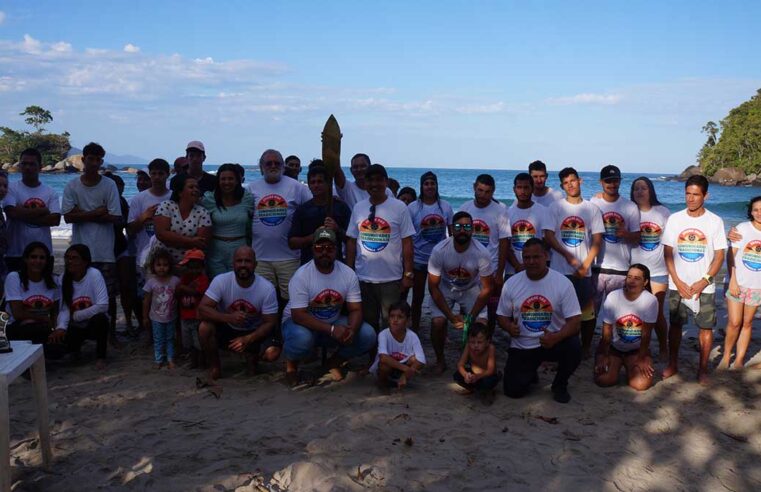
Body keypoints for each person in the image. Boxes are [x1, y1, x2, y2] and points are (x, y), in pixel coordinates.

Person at [282, 227, 376, 385]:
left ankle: (333, 362)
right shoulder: (301, 275)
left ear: (336, 250)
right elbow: (298, 315)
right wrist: (332, 330)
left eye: (329, 248)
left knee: (368, 334)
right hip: (299, 323)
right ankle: (291, 366)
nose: (324, 252)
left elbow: (355, 309)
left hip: (332, 321)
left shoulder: (347, 273)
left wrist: (351, 330)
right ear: (313, 249)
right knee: (302, 338)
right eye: (320, 248)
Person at [497, 238, 582, 403]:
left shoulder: (563, 283)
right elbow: (501, 315)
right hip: (523, 344)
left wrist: (556, 337)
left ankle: (559, 384)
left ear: (546, 256)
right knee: (513, 391)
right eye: (527, 257)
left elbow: (575, 321)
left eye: (536, 257)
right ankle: (530, 372)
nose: (531, 262)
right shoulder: (512, 283)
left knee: (574, 346)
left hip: (552, 341)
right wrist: (508, 326)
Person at [662, 175, 727, 384]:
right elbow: (668, 252)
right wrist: (677, 281)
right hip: (677, 283)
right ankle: (673, 363)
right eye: (687, 194)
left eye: (696, 194)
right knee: (675, 325)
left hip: (704, 286)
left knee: (705, 328)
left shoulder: (715, 221)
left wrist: (705, 280)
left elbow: (719, 256)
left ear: (705, 196)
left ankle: (702, 369)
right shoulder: (675, 219)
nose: (690, 199)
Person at [61, 142, 122, 346]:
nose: (94, 163)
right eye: (91, 158)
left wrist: (81, 214)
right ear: (83, 159)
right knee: (76, 294)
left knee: (108, 297)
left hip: (104, 251)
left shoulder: (109, 184)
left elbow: (114, 216)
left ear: (101, 161)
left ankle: (110, 334)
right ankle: (77, 335)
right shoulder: (72, 186)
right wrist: (97, 212)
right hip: (79, 251)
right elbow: (68, 217)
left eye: (98, 159)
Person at [346, 164, 416, 333]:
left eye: (379, 180)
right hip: (364, 277)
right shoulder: (359, 208)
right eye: (370, 180)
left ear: (386, 182)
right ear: (365, 182)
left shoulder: (399, 207)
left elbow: (407, 242)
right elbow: (351, 241)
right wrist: (348, 272)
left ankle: (389, 356)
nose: (374, 184)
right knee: (368, 323)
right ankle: (373, 357)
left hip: (391, 279)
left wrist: (408, 274)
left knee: (391, 323)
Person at [545, 167, 603, 357]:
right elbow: (549, 236)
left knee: (587, 312)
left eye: (573, 181)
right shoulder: (555, 208)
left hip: (583, 271)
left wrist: (585, 264)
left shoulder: (592, 209)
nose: (570, 185)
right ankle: (558, 346)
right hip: (559, 270)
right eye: (566, 183)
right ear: (562, 186)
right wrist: (566, 255)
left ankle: (585, 348)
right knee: (557, 311)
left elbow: (597, 240)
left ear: (580, 181)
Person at [197, 246, 280, 380]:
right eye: (239, 261)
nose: (243, 265)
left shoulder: (266, 288)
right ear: (233, 263)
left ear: (255, 264)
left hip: (255, 331)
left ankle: (252, 358)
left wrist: (248, 339)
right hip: (229, 328)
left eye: (247, 261)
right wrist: (228, 317)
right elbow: (202, 309)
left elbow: (270, 322)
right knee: (204, 328)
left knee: (272, 353)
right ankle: (215, 367)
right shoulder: (221, 281)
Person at [428, 211, 493, 374]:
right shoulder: (439, 250)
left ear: (472, 229)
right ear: (451, 229)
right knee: (438, 322)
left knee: (481, 324)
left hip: (470, 288)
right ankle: (440, 360)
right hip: (445, 286)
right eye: (458, 226)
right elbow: (433, 287)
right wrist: (451, 317)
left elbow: (487, 289)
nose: (462, 230)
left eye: (467, 226)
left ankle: (476, 361)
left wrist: (470, 317)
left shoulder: (482, 253)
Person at [249, 149, 311, 309]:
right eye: (268, 163)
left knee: (290, 302)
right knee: (262, 301)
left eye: (277, 163)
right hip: (260, 258)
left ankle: (285, 332)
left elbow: (313, 207)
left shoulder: (297, 187)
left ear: (283, 167)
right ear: (261, 167)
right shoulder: (251, 189)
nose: (273, 166)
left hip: (289, 258)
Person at [458, 174, 514, 330]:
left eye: (487, 192)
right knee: (467, 308)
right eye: (480, 190)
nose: (483, 195)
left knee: (489, 309)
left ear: (493, 191)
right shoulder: (465, 208)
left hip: (491, 269)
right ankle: (468, 339)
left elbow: (504, 243)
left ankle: (486, 341)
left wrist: (499, 274)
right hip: (468, 268)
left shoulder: (501, 210)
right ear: (474, 187)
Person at [590, 165, 641, 330]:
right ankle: (587, 347)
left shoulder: (630, 207)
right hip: (596, 267)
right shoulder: (593, 202)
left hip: (620, 270)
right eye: (608, 181)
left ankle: (613, 346)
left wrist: (626, 234)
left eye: (615, 180)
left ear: (620, 181)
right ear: (601, 182)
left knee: (617, 314)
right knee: (590, 312)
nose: (612, 184)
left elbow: (638, 238)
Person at [594, 264, 657, 391]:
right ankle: (613, 362)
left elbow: (646, 333)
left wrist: (641, 358)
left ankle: (629, 365)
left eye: (637, 278)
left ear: (645, 282)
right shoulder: (613, 297)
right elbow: (606, 330)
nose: (632, 281)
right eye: (629, 277)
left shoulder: (650, 300)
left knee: (640, 384)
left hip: (636, 349)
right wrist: (604, 355)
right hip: (613, 347)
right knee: (604, 380)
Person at [407, 171, 454, 331]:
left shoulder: (446, 207)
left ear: (436, 185)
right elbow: (407, 236)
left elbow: (452, 235)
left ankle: (442, 329)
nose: (429, 186)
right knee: (417, 297)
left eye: (432, 183)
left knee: (440, 297)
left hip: (439, 261)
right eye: (426, 184)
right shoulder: (413, 208)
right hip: (419, 259)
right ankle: (414, 328)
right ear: (421, 186)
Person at [630, 176, 671, 359]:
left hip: (658, 270)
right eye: (636, 188)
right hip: (634, 271)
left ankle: (663, 347)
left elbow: (672, 242)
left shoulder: (662, 212)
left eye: (643, 188)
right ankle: (638, 347)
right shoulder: (629, 211)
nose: (640, 191)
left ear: (651, 191)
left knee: (656, 312)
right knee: (634, 312)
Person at [719, 196, 761, 370]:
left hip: (757, 286)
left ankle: (739, 361)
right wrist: (733, 281)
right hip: (737, 283)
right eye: (756, 209)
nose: (759, 213)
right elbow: (731, 255)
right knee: (734, 322)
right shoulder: (743, 229)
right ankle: (726, 357)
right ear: (750, 211)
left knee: (747, 323)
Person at [3, 148, 61, 273]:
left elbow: (55, 220)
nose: (27, 167)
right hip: (15, 253)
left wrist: (20, 212)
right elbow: (11, 213)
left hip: (43, 254)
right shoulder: (11, 188)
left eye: (32, 164)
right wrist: (43, 211)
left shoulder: (50, 192)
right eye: (24, 163)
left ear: (40, 167)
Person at [57, 244, 110, 369]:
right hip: (75, 326)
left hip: (91, 322)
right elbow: (64, 308)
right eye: (67, 257)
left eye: (74, 258)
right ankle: (75, 351)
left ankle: (101, 356)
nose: (69, 261)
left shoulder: (94, 274)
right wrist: (61, 327)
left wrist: (76, 315)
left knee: (101, 319)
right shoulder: (63, 278)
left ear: (85, 261)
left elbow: (103, 305)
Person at [4, 242, 62, 355]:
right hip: (14, 326)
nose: (38, 261)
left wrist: (55, 330)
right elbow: (18, 313)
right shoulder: (15, 277)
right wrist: (44, 319)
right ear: (26, 259)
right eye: (33, 257)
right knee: (32, 328)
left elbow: (55, 312)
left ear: (47, 261)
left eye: (42, 258)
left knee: (59, 348)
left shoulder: (54, 281)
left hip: (42, 327)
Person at [288, 166, 352, 265]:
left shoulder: (341, 207)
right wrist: (314, 236)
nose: (316, 185)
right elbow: (292, 243)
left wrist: (337, 229)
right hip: (309, 266)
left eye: (320, 181)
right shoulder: (302, 210)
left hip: (336, 265)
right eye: (312, 182)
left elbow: (351, 240)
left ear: (328, 183)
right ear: (308, 185)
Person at [201, 163, 254, 277]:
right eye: (223, 179)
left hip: (241, 249)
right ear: (218, 180)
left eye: (230, 179)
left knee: (238, 286)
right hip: (216, 251)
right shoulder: (209, 199)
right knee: (218, 287)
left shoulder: (247, 198)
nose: (227, 182)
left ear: (237, 180)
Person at [153, 174, 212, 266]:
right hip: (161, 265)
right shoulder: (166, 206)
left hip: (190, 267)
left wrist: (172, 239)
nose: (196, 190)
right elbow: (161, 235)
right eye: (191, 187)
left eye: (197, 187)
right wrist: (191, 241)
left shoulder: (203, 212)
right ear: (180, 192)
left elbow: (202, 243)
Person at [370, 299, 426, 392]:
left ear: (407, 320)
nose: (395, 320)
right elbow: (383, 357)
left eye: (400, 317)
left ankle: (402, 380)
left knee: (414, 359)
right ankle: (382, 383)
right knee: (384, 364)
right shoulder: (383, 334)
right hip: (387, 369)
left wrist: (406, 373)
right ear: (388, 319)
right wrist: (407, 369)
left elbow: (422, 360)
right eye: (392, 316)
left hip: (402, 369)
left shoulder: (412, 336)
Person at [128, 158, 173, 268]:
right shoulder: (138, 199)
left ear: (168, 175)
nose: (157, 177)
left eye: (161, 174)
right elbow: (130, 230)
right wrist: (143, 217)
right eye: (153, 174)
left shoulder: (174, 197)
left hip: (170, 258)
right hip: (144, 258)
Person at [105, 173, 135, 336]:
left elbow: (126, 224)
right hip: (105, 249)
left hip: (121, 246)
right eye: (116, 186)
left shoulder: (122, 202)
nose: (119, 189)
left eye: (121, 185)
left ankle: (129, 321)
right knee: (110, 293)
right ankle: (112, 328)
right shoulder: (105, 200)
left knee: (126, 287)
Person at [506, 172, 552, 276]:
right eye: (519, 187)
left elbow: (547, 241)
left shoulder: (544, 211)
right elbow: (506, 245)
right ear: (514, 189)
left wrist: (531, 263)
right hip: (513, 270)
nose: (523, 191)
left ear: (532, 189)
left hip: (537, 269)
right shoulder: (507, 214)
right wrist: (517, 265)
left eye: (526, 187)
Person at [142, 248, 181, 369]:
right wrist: (145, 317)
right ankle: (159, 359)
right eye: (158, 265)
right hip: (156, 317)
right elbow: (146, 301)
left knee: (170, 338)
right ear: (153, 266)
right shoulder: (151, 282)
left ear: (170, 265)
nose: (162, 268)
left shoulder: (175, 281)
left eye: (165, 265)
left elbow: (179, 299)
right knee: (158, 339)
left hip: (171, 316)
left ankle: (170, 359)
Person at [175, 249, 210, 368]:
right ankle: (193, 362)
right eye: (189, 267)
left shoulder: (203, 279)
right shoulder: (185, 278)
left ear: (201, 267)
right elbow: (178, 291)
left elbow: (197, 292)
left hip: (196, 316)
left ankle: (202, 362)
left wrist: (184, 288)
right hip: (185, 316)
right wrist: (183, 288)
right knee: (188, 343)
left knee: (198, 343)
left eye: (195, 267)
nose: (192, 270)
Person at [453, 322, 499, 405]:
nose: (475, 345)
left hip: (486, 376)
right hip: (473, 375)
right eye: (472, 342)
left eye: (479, 342)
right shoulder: (468, 347)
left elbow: (490, 370)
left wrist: (478, 376)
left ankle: (488, 392)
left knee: (487, 382)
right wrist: (466, 375)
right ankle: (471, 389)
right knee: (457, 375)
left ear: (487, 342)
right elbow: (460, 364)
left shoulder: (490, 348)